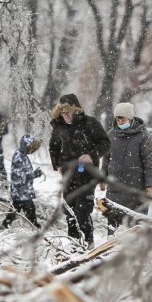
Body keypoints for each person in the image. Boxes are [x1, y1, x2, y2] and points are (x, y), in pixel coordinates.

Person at [48, 92, 110, 245]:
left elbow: (105, 142)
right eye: (62, 113)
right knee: (69, 210)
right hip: (68, 176)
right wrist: (57, 164)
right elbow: (53, 146)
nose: (66, 116)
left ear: (76, 111)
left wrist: (92, 155)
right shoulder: (59, 126)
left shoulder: (90, 123)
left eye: (68, 113)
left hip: (87, 175)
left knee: (83, 210)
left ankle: (88, 243)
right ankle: (73, 243)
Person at [102, 101, 152, 230]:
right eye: (117, 118)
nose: (119, 122)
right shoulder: (111, 135)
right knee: (113, 225)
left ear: (130, 118)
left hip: (136, 188)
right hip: (114, 188)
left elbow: (149, 163)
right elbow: (106, 158)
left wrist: (150, 185)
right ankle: (111, 248)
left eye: (122, 118)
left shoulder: (143, 137)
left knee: (135, 226)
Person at [4, 134, 45, 228]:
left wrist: (33, 173)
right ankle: (35, 227)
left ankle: (5, 225)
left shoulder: (23, 155)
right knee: (30, 209)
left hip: (21, 191)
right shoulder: (19, 157)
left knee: (14, 210)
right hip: (21, 191)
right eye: (31, 148)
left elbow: (24, 173)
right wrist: (34, 174)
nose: (32, 150)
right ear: (26, 146)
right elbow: (19, 176)